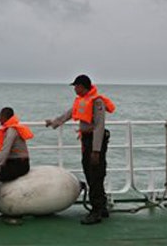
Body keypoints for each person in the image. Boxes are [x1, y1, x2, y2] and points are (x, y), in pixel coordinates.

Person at [45, 74, 115, 225]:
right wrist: (54, 123)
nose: (75, 89)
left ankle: (96, 211)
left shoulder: (97, 102)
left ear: (83, 87)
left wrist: (96, 150)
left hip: (95, 142)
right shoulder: (82, 101)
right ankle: (101, 207)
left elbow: (99, 126)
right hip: (86, 140)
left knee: (95, 174)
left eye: (76, 86)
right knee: (90, 172)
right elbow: (69, 114)